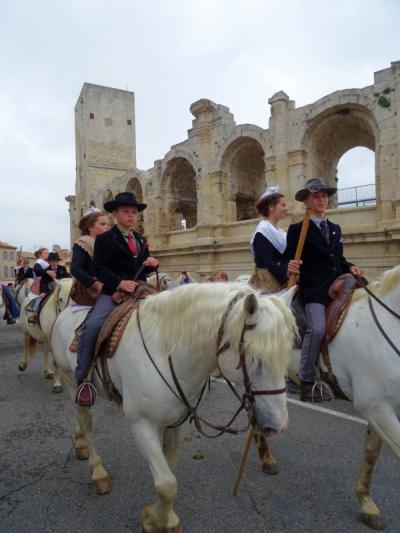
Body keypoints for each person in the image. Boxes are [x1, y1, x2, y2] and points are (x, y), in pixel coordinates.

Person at [283, 177, 364, 402]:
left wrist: (351, 267)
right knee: (317, 329)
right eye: (316, 196)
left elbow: (338, 259)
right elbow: (287, 258)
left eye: (324, 196)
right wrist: (289, 265)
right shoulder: (297, 229)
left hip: (338, 286)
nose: (322, 200)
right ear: (307, 201)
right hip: (314, 290)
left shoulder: (335, 228)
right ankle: (306, 380)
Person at [75, 192, 159, 406]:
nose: (131, 216)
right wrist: (119, 284)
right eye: (126, 212)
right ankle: (83, 378)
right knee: (92, 326)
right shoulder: (104, 239)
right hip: (114, 292)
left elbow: (143, 268)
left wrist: (153, 263)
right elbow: (99, 269)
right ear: (115, 214)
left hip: (141, 289)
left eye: (134, 212)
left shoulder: (140, 239)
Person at [249, 186, 288, 292]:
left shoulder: (281, 232)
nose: (286, 209)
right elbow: (268, 262)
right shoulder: (262, 231)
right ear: (271, 207)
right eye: (283, 205)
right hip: (268, 281)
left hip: (282, 276)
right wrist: (285, 280)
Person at [70, 208, 111, 305]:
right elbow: (75, 268)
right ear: (90, 227)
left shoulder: (109, 244)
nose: (107, 227)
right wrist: (95, 284)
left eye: (109, 225)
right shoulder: (83, 242)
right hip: (89, 290)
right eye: (102, 224)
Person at [28, 252, 71, 324]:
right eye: (52, 261)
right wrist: (42, 292)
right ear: (49, 261)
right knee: (40, 299)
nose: (54, 262)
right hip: (50, 290)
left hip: (61, 289)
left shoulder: (62, 268)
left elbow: (67, 277)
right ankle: (34, 314)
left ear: (58, 261)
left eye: (56, 261)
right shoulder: (46, 270)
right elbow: (43, 282)